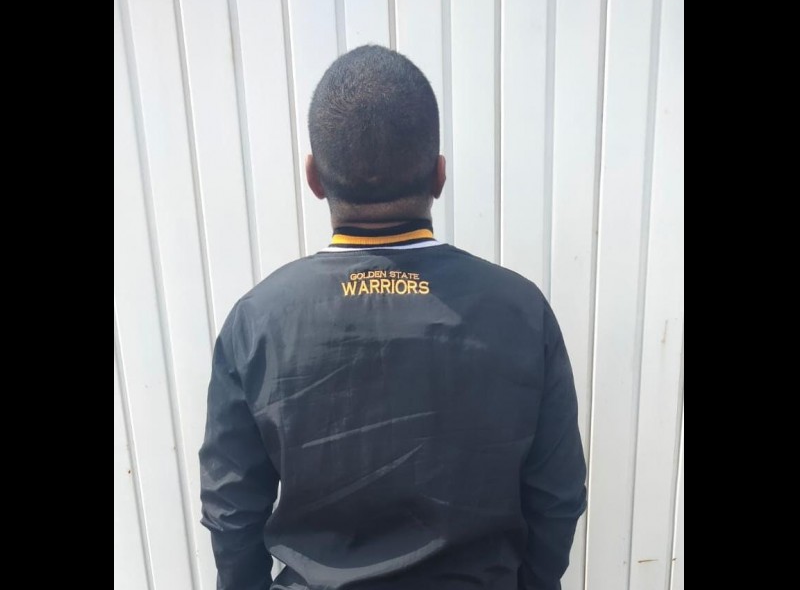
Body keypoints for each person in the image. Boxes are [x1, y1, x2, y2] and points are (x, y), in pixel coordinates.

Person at [199, 45, 586, 590]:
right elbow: (557, 495)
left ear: (314, 177)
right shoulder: (521, 311)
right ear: (439, 175)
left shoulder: (257, 321)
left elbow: (232, 507)